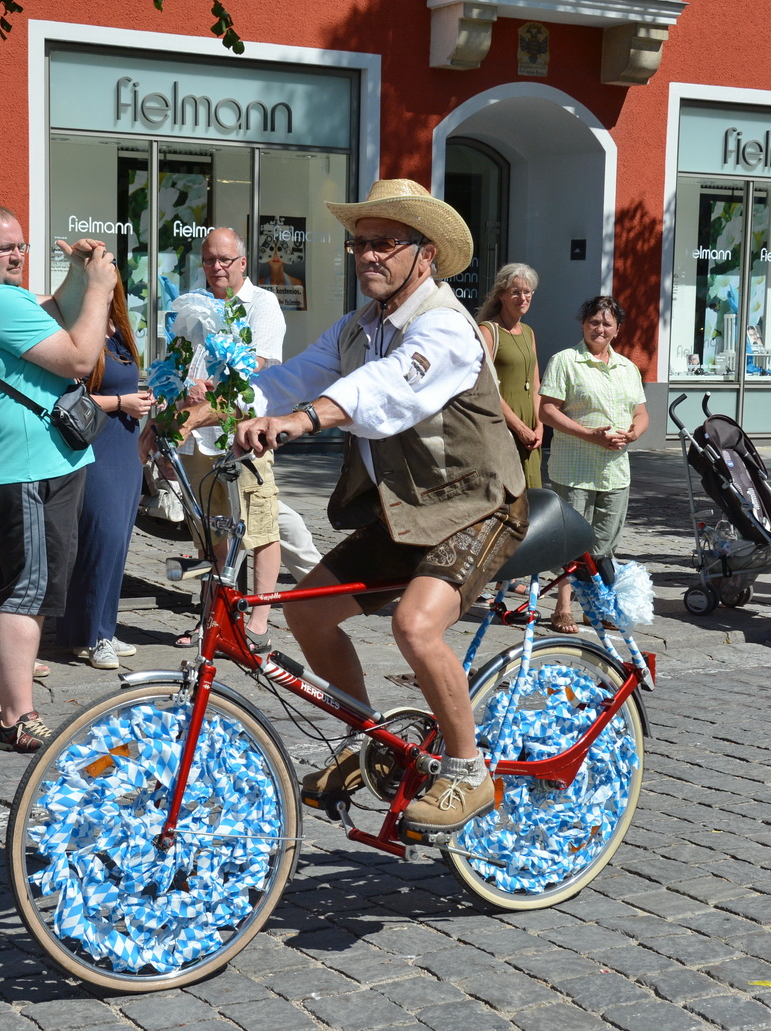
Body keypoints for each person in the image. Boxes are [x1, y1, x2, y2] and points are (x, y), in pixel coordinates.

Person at [231, 178, 528, 834]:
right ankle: (374, 748)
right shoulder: (358, 327)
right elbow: (290, 377)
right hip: (409, 511)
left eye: (384, 243)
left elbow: (386, 387)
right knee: (307, 613)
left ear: (425, 255)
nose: (368, 255)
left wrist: (305, 420)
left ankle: (468, 770)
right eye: (360, 243)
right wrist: (208, 406)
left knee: (417, 627)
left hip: (479, 506)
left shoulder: (446, 328)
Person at [0, 204, 114, 753]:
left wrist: (77, 276)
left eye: (21, 246)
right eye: (3, 249)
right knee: (28, 592)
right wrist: (102, 290)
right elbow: (79, 356)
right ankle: (19, 717)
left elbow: (50, 313)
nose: (16, 255)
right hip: (30, 468)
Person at [173, 226, 288, 649]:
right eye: (208, 260)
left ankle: (257, 622)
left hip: (244, 433)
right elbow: (181, 359)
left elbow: (263, 362)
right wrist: (187, 387)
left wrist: (215, 380)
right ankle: (211, 619)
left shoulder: (261, 303)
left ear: (242, 262)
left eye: (224, 260)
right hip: (200, 436)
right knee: (211, 532)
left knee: (260, 527)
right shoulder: (195, 304)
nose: (216, 267)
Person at [55, 283, 153, 670]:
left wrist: (144, 401)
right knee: (102, 536)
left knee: (116, 542)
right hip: (96, 445)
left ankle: (99, 630)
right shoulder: (77, 333)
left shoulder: (120, 331)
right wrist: (121, 403)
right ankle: (93, 637)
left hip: (126, 447)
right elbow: (62, 396)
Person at [538, 295, 648, 634]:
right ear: (583, 324)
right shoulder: (566, 361)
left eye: (607, 323)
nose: (599, 328)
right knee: (572, 544)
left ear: (617, 329)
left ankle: (596, 607)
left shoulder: (627, 367)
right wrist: (589, 434)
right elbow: (547, 411)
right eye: (594, 322)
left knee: (604, 546)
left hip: (614, 472)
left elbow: (641, 413)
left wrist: (632, 434)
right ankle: (562, 608)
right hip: (575, 470)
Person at [477, 262, 544, 493]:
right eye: (516, 292)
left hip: (530, 429)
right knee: (507, 496)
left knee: (533, 497)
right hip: (503, 427)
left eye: (527, 292)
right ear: (502, 295)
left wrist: (539, 426)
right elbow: (483, 388)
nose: (522, 298)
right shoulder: (488, 331)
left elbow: (536, 384)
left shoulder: (528, 332)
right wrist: (519, 427)